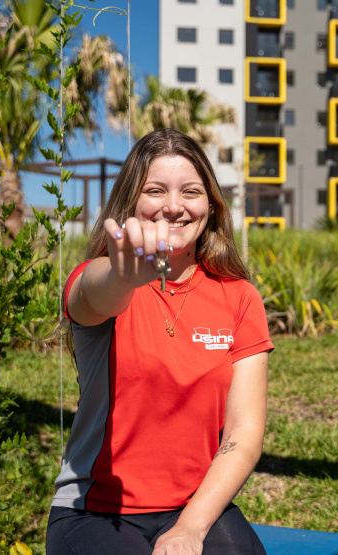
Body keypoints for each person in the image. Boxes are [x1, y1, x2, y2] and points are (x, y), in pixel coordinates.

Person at [46, 129, 273, 555]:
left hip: (194, 506)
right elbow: (94, 295)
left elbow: (245, 429)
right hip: (94, 512)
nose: (174, 206)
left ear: (210, 205)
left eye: (191, 191)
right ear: (131, 202)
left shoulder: (240, 296)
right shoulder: (99, 277)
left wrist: (190, 528)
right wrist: (122, 276)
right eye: (155, 190)